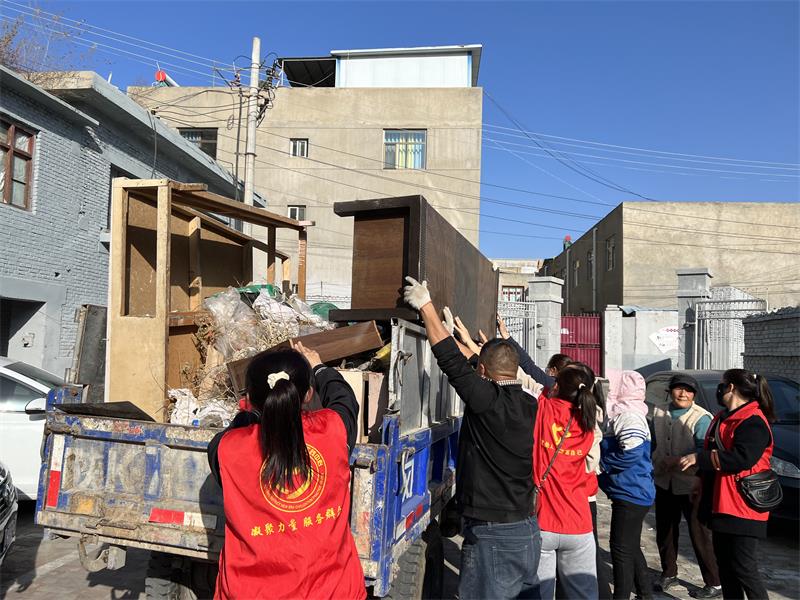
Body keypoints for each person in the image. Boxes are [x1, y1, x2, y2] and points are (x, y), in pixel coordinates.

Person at [403, 277, 539, 600]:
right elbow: (471, 364)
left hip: (494, 536)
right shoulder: (529, 403)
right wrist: (449, 334)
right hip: (527, 531)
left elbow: (452, 362)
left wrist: (426, 306)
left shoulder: (487, 401)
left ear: (484, 373)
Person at [207, 343, 365, 599]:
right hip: (333, 591)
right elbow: (344, 400)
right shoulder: (332, 431)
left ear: (249, 400)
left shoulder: (227, 449)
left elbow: (227, 435)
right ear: (308, 394)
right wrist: (319, 367)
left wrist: (250, 415)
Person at [678, 369, 776, 600]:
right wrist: (700, 479)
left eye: (722, 384)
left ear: (730, 387)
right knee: (726, 567)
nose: (719, 389)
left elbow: (742, 458)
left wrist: (698, 459)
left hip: (743, 504)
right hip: (720, 502)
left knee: (744, 568)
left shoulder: (753, 421)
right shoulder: (723, 416)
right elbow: (713, 449)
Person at [533, 363, 600, 600]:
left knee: (539, 594)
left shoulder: (543, 409)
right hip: (579, 522)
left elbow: (536, 378)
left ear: (557, 387)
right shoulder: (588, 422)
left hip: (544, 521)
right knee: (584, 595)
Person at [652, 374, 720, 598]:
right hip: (664, 480)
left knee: (699, 533)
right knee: (665, 529)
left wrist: (679, 460)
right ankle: (668, 572)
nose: (683, 394)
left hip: (692, 483)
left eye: (688, 390)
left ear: (694, 395)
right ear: (670, 391)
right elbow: (653, 442)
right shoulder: (659, 412)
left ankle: (714, 582)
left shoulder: (701, 418)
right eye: (678, 389)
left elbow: (705, 450)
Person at [599, 370, 655, 600]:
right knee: (630, 546)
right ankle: (645, 594)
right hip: (632, 490)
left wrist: (603, 464)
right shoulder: (626, 413)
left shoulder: (629, 416)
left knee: (620, 549)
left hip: (631, 492)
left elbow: (632, 453)